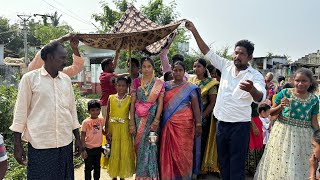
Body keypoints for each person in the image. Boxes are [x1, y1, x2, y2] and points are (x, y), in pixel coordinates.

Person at [185, 21, 266, 180]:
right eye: (236, 52)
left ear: (249, 57)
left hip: (239, 127)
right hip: (221, 124)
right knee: (223, 164)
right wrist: (194, 30)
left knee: (236, 166)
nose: (237, 56)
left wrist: (252, 89)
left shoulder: (254, 75)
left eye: (242, 53)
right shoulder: (226, 66)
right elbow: (206, 51)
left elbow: (260, 97)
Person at [10, 41, 82, 179]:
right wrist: (17, 145)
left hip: (65, 144)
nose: (65, 61)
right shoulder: (30, 79)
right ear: (49, 57)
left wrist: (78, 139)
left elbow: (72, 111)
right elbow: (20, 113)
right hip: (40, 145)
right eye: (62, 58)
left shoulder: (66, 80)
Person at [254, 68, 319, 180]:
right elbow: (271, 112)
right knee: (282, 162)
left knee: (300, 163)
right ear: (293, 80)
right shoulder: (285, 93)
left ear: (310, 82)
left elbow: (314, 121)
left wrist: (318, 136)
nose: (300, 83)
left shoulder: (314, 99)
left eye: (304, 81)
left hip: (304, 135)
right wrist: (281, 106)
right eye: (297, 80)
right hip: (283, 133)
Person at [160, 61, 202, 180]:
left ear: (184, 72)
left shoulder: (190, 87)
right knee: (168, 152)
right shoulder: (165, 86)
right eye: (175, 70)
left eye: (180, 70)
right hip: (168, 124)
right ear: (171, 71)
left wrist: (198, 123)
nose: (177, 73)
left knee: (183, 154)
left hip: (185, 126)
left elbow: (195, 107)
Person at [129, 57, 164, 180]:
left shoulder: (159, 83)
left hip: (152, 120)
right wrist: (132, 123)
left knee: (151, 147)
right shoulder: (136, 82)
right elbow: (132, 103)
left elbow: (160, 103)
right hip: (139, 120)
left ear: (153, 68)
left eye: (149, 66)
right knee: (140, 149)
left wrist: (156, 120)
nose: (146, 69)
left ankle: (152, 177)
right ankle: (141, 176)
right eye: (144, 66)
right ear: (140, 68)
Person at [189, 58, 219, 177]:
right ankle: (190, 167)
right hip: (189, 117)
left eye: (199, 66)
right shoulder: (190, 81)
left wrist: (201, 118)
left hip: (204, 118)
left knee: (201, 143)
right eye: (194, 66)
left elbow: (212, 103)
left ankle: (200, 169)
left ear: (204, 68)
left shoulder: (211, 83)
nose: (196, 69)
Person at [105, 77, 135, 180]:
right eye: (119, 85)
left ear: (127, 87)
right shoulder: (111, 98)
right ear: (115, 86)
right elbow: (107, 115)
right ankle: (114, 175)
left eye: (123, 86)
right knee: (114, 151)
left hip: (124, 129)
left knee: (123, 152)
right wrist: (107, 130)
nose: (121, 88)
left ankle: (122, 175)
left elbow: (132, 114)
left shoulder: (130, 99)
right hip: (113, 129)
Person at [81, 100, 105, 180]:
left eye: (97, 110)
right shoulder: (86, 122)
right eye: (93, 110)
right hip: (88, 149)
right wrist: (83, 150)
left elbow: (103, 131)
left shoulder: (101, 120)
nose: (95, 112)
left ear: (100, 110)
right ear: (88, 111)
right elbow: (82, 136)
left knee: (97, 167)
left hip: (98, 148)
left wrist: (108, 135)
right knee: (88, 168)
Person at [246, 103, 264, 176]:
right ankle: (252, 168)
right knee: (252, 144)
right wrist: (253, 126)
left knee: (258, 143)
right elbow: (247, 112)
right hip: (252, 122)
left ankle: (256, 168)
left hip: (256, 120)